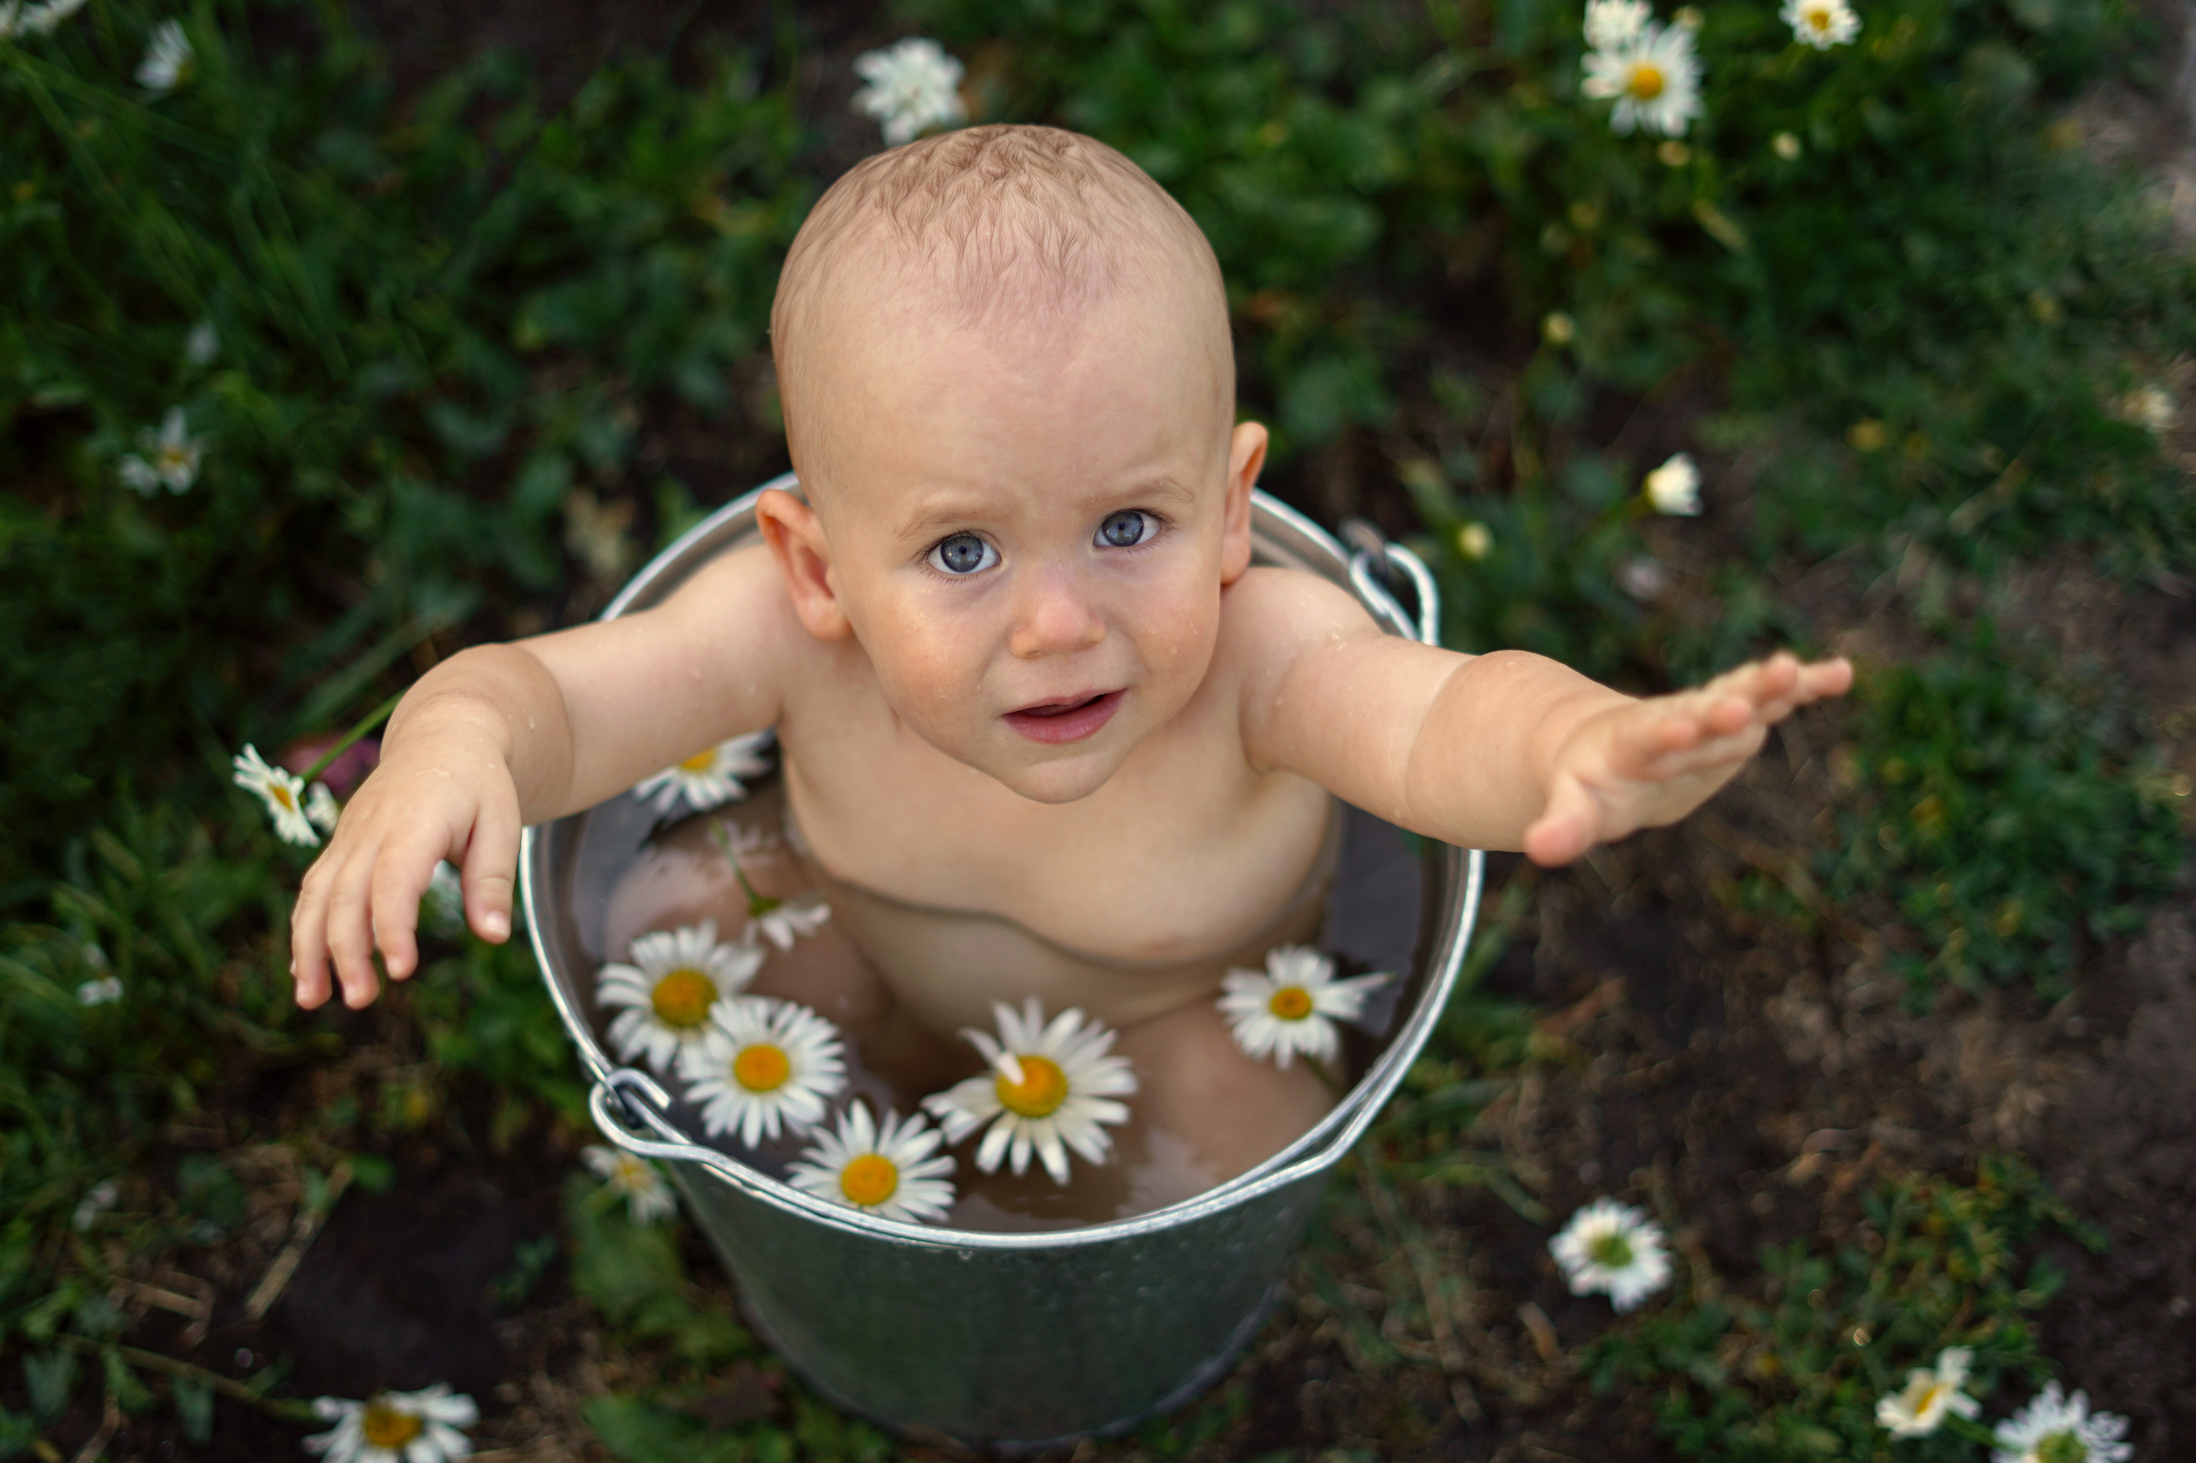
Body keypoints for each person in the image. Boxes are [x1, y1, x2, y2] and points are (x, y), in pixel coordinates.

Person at [287, 124, 1850, 1215]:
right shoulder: (777, 637)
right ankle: (855, 1173)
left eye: (1127, 524)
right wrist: (453, 747)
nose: (1057, 627)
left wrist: (1574, 744)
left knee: (1237, 1140)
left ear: (1234, 511)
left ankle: (1070, 1275)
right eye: (963, 552)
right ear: (821, 567)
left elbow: (1441, 710)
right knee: (657, 922)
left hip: (1181, 1006)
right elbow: (547, 699)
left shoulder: (1265, 659)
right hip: (867, 946)